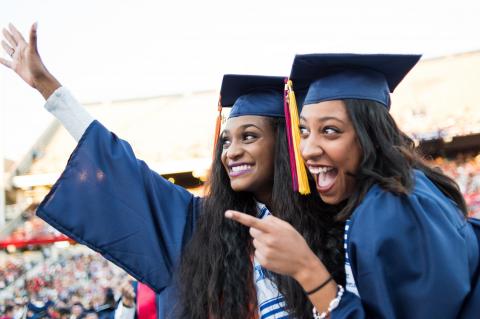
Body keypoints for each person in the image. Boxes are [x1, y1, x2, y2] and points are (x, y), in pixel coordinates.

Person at [1, 24, 344, 318]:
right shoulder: (198, 225)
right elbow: (121, 167)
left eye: (249, 136)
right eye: (225, 140)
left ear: (283, 144)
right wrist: (49, 88)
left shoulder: (333, 224)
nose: (231, 151)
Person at [226, 53, 480, 318]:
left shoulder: (390, 209)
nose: (308, 150)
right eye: (304, 131)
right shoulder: (397, 194)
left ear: (369, 134)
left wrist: (306, 269)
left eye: (330, 130)